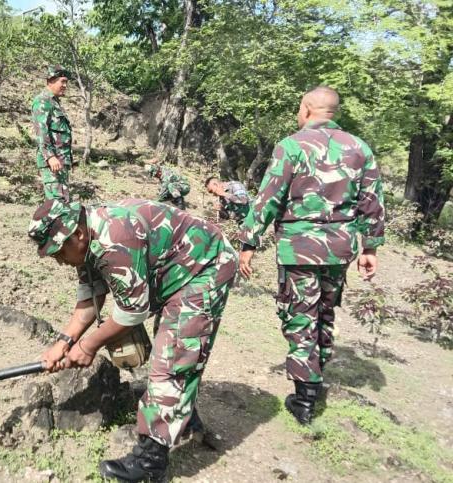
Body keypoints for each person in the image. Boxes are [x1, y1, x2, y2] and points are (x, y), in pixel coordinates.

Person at [28, 199, 238, 482]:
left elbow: (131, 312)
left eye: (58, 251)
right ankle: (182, 416)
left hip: (205, 267)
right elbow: (91, 291)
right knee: (172, 352)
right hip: (177, 270)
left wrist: (88, 345)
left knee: (174, 354)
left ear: (77, 234)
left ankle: (152, 459)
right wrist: (64, 341)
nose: (59, 260)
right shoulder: (87, 236)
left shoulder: (116, 238)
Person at [237, 86, 385, 425]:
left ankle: (304, 398)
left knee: (301, 314)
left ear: (306, 109)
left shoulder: (291, 146)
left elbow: (268, 198)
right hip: (339, 248)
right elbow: (372, 202)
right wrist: (370, 247)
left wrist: (248, 243)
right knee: (324, 310)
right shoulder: (359, 148)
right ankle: (315, 375)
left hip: (299, 248)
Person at [31, 66, 73, 201]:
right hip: (53, 162)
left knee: (61, 203)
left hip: (60, 161)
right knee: (57, 204)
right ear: (51, 81)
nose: (65, 86)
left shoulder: (54, 102)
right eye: (62, 81)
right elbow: (41, 132)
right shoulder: (42, 101)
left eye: (66, 82)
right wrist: (50, 157)